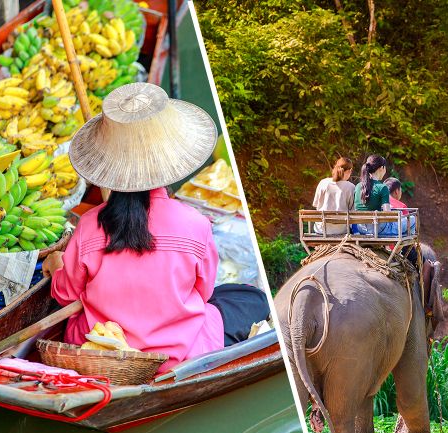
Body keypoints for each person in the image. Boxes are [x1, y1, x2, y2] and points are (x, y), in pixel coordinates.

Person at [41, 82, 270, 373]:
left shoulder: (88, 225)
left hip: (104, 354)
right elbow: (204, 290)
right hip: (177, 355)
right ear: (168, 160)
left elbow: (66, 295)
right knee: (249, 297)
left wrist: (58, 266)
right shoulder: (195, 224)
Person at [352, 154, 394, 235]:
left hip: (360, 229)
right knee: (412, 220)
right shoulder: (382, 187)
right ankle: (400, 247)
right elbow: (388, 215)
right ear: (382, 168)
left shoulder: (357, 186)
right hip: (376, 229)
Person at [311, 157, 355, 234]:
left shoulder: (323, 183)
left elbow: (316, 204)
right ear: (349, 171)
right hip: (341, 230)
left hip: (321, 229)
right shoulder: (351, 187)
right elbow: (353, 210)